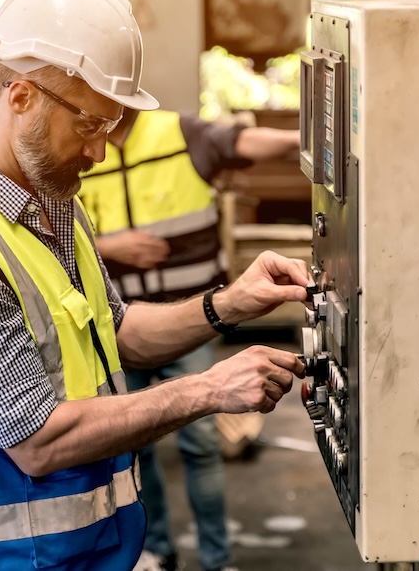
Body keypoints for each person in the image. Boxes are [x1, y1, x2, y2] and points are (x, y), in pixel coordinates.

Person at [0, 0, 310, 571]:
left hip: (89, 552)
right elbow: (39, 441)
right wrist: (208, 389)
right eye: (89, 124)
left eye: (108, 127)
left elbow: (113, 332)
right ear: (22, 96)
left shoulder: (52, 202)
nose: (98, 151)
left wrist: (229, 305)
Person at [78, 109, 301, 571]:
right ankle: (156, 550)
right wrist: (113, 248)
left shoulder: (178, 132)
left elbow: (241, 141)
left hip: (186, 318)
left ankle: (216, 560)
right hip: (117, 323)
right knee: (133, 446)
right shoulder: (82, 145)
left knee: (200, 444)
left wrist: (308, 135)